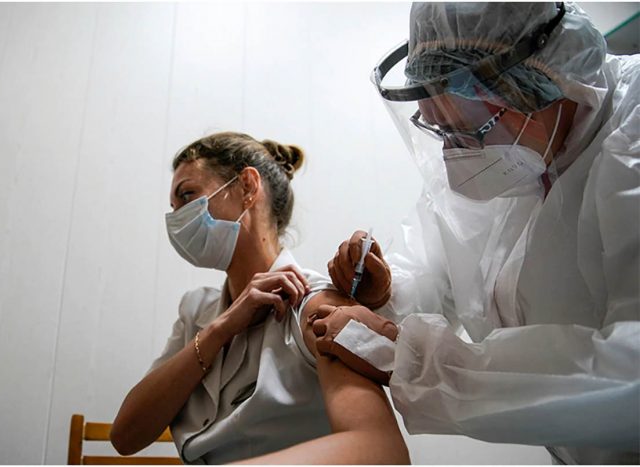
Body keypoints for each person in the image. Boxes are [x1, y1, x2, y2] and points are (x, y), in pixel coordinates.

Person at [313, 2, 640, 464]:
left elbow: (631, 375)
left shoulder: (631, 138)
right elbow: (439, 268)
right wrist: (388, 291)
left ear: (538, 82)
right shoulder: (518, 155)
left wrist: (410, 360)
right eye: (440, 131)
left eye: (467, 131)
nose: (455, 155)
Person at [110, 132, 409, 464]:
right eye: (174, 206)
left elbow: (381, 453)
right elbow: (125, 436)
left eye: (188, 195)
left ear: (248, 187)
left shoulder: (312, 303)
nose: (176, 218)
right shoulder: (197, 312)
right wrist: (218, 330)